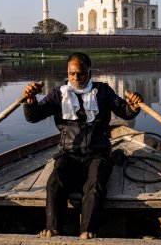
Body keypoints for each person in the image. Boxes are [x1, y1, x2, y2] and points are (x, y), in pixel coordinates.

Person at [23, 52, 143, 239]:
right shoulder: (58, 94)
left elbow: (124, 111)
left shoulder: (103, 91)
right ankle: (53, 229)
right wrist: (30, 101)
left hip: (98, 154)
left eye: (80, 73)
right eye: (72, 74)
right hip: (68, 154)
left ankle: (87, 230)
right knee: (55, 182)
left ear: (89, 72)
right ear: (67, 73)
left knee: (95, 183)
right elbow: (33, 116)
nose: (76, 78)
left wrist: (134, 106)